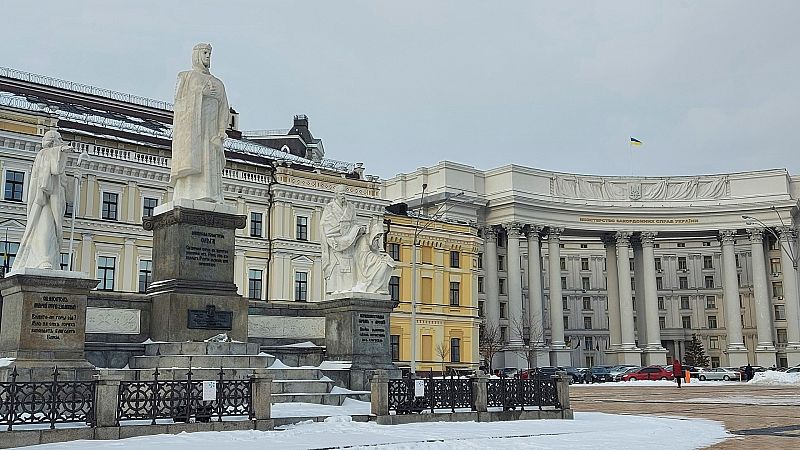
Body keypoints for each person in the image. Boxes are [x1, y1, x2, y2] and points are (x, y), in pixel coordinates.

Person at [170, 43, 230, 203]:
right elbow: (179, 106)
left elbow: (224, 108)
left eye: (209, 53)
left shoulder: (218, 83)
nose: (208, 56)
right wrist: (199, 93)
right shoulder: (187, 77)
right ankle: (189, 192)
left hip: (211, 132)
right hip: (193, 132)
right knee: (195, 156)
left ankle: (210, 194)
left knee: (209, 158)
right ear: (196, 54)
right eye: (205, 53)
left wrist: (222, 129)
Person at [11, 130, 70, 273]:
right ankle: (44, 259)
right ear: (52, 141)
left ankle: (48, 259)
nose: (60, 142)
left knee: (52, 231)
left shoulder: (50, 156)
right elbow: (53, 169)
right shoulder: (42, 155)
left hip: (55, 200)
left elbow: (62, 180)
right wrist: (61, 151)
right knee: (45, 227)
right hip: (43, 199)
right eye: (58, 140)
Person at [320, 185, 366, 294]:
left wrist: (357, 230)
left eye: (345, 193)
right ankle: (335, 291)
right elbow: (324, 225)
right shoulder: (329, 207)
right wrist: (338, 229)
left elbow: (354, 222)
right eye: (341, 193)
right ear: (336, 195)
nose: (343, 196)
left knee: (349, 267)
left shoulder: (351, 207)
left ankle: (347, 289)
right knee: (336, 267)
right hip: (335, 242)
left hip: (349, 242)